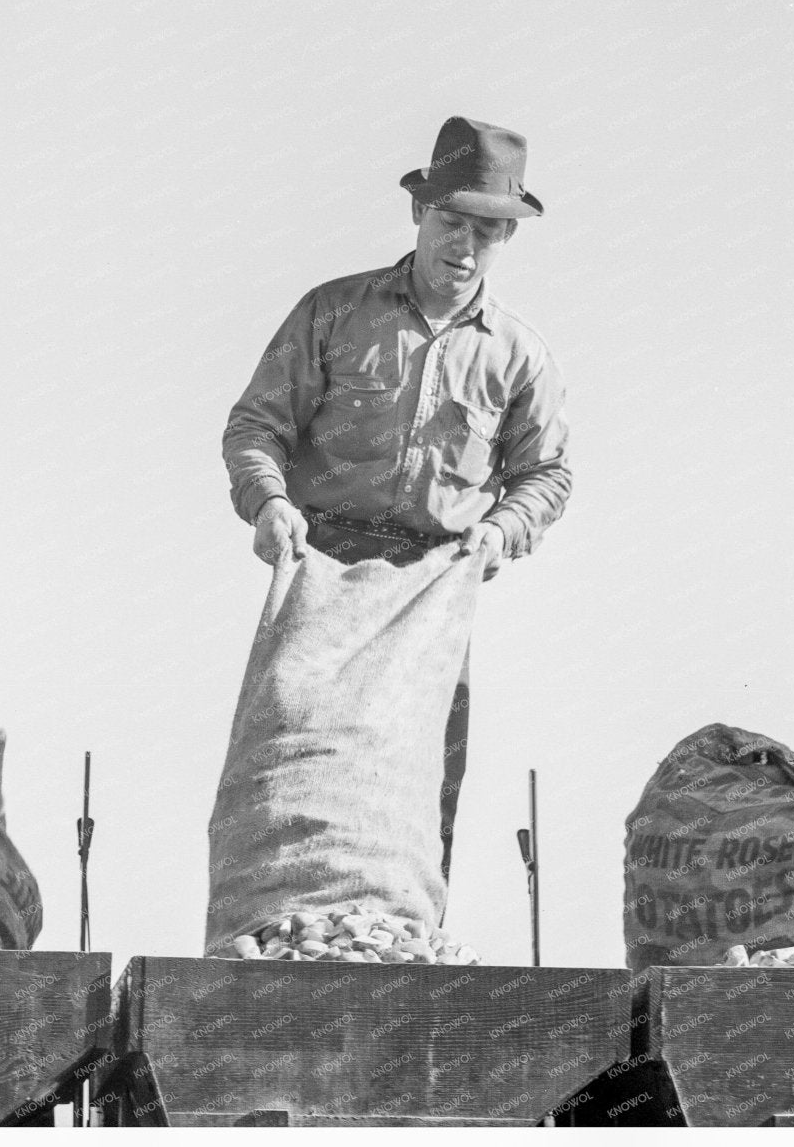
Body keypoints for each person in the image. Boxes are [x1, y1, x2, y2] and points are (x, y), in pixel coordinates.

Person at [222, 117, 573, 887]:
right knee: (288, 766)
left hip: (433, 588)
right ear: (420, 213)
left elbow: (546, 474)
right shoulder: (334, 313)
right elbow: (256, 426)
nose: (465, 244)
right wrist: (269, 502)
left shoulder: (519, 356)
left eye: (488, 231)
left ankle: (396, 955)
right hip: (321, 572)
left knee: (418, 786)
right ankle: (268, 940)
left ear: (506, 239)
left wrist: (500, 530)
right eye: (452, 221)